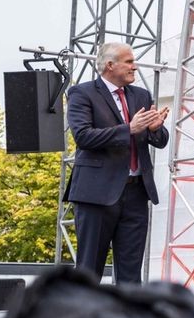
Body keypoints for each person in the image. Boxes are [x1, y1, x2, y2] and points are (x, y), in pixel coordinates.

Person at [66, 42, 170, 284]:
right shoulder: (82, 93)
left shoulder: (141, 95)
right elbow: (82, 136)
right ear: (110, 65)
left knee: (131, 272)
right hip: (96, 193)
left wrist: (155, 129)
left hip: (136, 192)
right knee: (89, 269)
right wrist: (128, 129)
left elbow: (160, 140)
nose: (135, 66)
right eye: (129, 62)